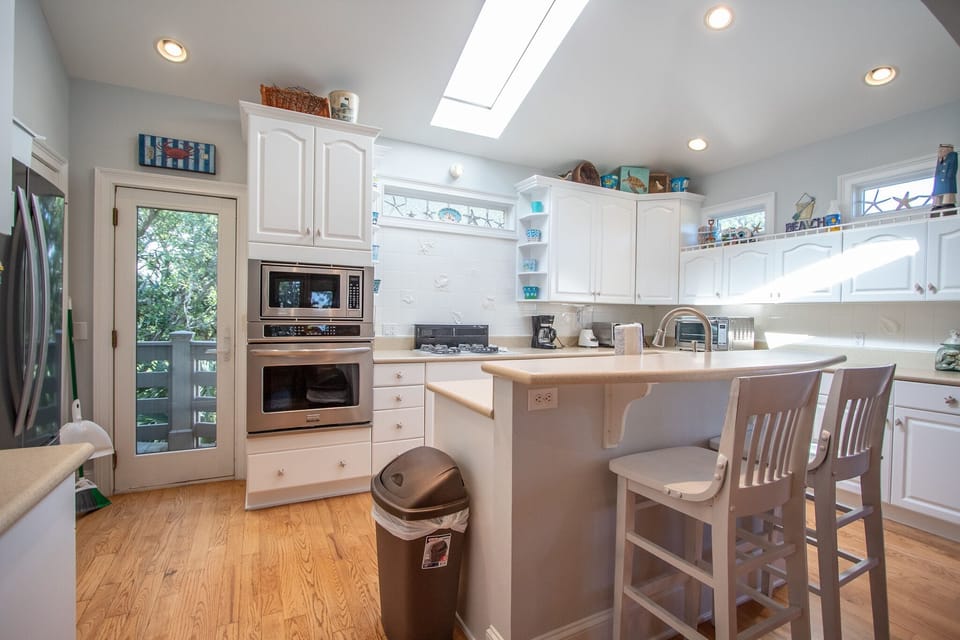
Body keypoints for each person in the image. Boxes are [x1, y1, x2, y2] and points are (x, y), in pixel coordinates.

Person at [932, 143, 958, 213]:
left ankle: (947, 208)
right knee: (937, 201)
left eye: (942, 150)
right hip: (939, 183)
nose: (940, 152)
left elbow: (952, 168)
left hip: (947, 181)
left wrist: (949, 176)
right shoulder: (940, 159)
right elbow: (938, 170)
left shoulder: (952, 157)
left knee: (948, 199)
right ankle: (937, 207)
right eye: (940, 150)